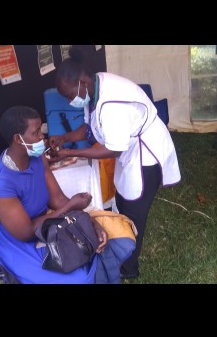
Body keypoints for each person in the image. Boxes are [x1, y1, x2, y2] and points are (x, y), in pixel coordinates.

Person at [48, 48, 181, 280]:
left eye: (70, 95)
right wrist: (65, 138)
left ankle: (129, 268)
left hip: (145, 154)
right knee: (122, 200)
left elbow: (112, 148)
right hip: (128, 150)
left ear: (82, 82)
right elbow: (90, 129)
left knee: (135, 212)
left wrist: (68, 151)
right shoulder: (94, 88)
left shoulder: (112, 103)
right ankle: (121, 244)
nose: (70, 101)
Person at [0, 105, 108, 284]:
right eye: (36, 133)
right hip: (17, 244)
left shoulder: (37, 157)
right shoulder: (0, 183)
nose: (42, 137)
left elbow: (58, 199)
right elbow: (26, 232)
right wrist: (72, 206)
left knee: (92, 249)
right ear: (18, 139)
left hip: (45, 225)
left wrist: (90, 221)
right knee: (78, 278)